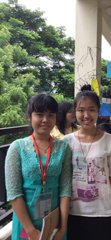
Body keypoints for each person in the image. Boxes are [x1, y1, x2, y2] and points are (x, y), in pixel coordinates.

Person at [63, 85, 111, 240]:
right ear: (75, 112)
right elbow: (63, 179)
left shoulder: (109, 140)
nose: (86, 115)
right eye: (81, 110)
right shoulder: (65, 142)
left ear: (98, 111)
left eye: (91, 109)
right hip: (73, 213)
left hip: (103, 213)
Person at [5, 93, 72, 240]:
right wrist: (31, 231)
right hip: (25, 223)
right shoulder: (17, 148)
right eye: (39, 114)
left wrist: (63, 227)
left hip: (54, 222)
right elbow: (14, 193)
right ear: (29, 117)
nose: (45, 120)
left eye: (51, 115)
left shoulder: (63, 147)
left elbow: (65, 189)